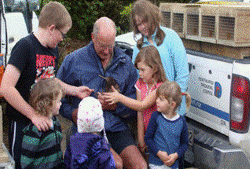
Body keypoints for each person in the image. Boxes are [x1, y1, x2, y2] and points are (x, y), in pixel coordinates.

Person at [0, 2, 93, 168]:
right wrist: (33, 115)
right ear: (52, 28)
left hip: (45, 121)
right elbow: (6, 87)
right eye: (63, 34)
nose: (62, 39)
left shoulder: (52, 49)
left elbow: (49, 80)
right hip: (23, 123)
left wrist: (74, 90)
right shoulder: (25, 47)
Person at [56, 17, 147, 169]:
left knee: (140, 166)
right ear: (93, 37)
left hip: (117, 129)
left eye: (110, 46)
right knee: (115, 164)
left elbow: (136, 104)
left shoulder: (125, 63)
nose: (106, 51)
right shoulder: (73, 60)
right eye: (102, 46)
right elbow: (56, 96)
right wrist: (72, 113)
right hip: (87, 131)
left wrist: (116, 106)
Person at [103, 45, 168, 155]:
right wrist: (141, 139)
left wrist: (119, 97)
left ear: (155, 68)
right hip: (148, 135)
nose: (140, 73)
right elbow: (140, 112)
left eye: (143, 70)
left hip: (161, 136)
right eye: (139, 69)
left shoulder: (160, 87)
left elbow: (142, 105)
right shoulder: (140, 84)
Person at [130, 0, 189, 117]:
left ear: (153, 17)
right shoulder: (138, 47)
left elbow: (183, 74)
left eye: (145, 21)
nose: (143, 27)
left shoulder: (171, 37)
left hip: (172, 109)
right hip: (150, 110)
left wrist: (172, 103)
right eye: (139, 24)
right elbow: (138, 79)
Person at [144, 81, 191, 169]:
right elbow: (148, 138)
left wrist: (175, 156)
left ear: (172, 104)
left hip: (173, 165)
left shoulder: (181, 121)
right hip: (155, 164)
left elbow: (184, 144)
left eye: (161, 99)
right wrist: (159, 153)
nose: (156, 101)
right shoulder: (155, 117)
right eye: (157, 97)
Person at [21, 78, 65, 169]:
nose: (61, 104)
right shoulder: (34, 130)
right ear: (48, 103)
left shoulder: (56, 122)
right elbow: (26, 160)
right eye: (58, 101)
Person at [64, 96, 116, 169]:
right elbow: (109, 165)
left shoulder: (72, 142)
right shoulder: (101, 146)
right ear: (101, 123)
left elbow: (67, 163)